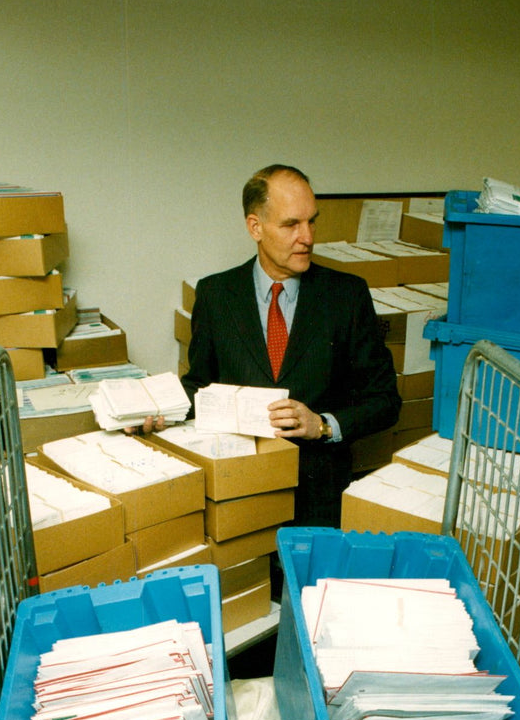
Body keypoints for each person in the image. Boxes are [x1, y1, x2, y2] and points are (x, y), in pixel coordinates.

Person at [142, 164, 401, 527]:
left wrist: (323, 425)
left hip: (318, 497)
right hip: (238, 490)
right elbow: (200, 384)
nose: (307, 237)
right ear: (255, 227)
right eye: (291, 224)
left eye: (312, 221)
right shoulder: (216, 294)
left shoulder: (347, 295)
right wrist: (158, 410)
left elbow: (386, 401)